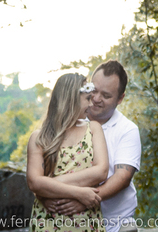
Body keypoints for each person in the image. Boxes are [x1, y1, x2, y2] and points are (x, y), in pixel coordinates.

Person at [39, 61, 141, 231]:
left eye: (106, 95)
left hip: (113, 221)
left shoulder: (127, 130)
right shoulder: (71, 121)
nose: (96, 98)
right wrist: (44, 194)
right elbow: (43, 171)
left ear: (120, 98)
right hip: (68, 220)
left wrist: (84, 201)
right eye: (93, 90)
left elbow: (122, 178)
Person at [26, 72, 109, 231]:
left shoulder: (93, 129)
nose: (91, 104)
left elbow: (101, 171)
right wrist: (79, 193)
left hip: (86, 222)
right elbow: (34, 182)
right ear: (71, 100)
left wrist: (45, 189)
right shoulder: (39, 138)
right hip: (48, 223)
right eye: (87, 99)